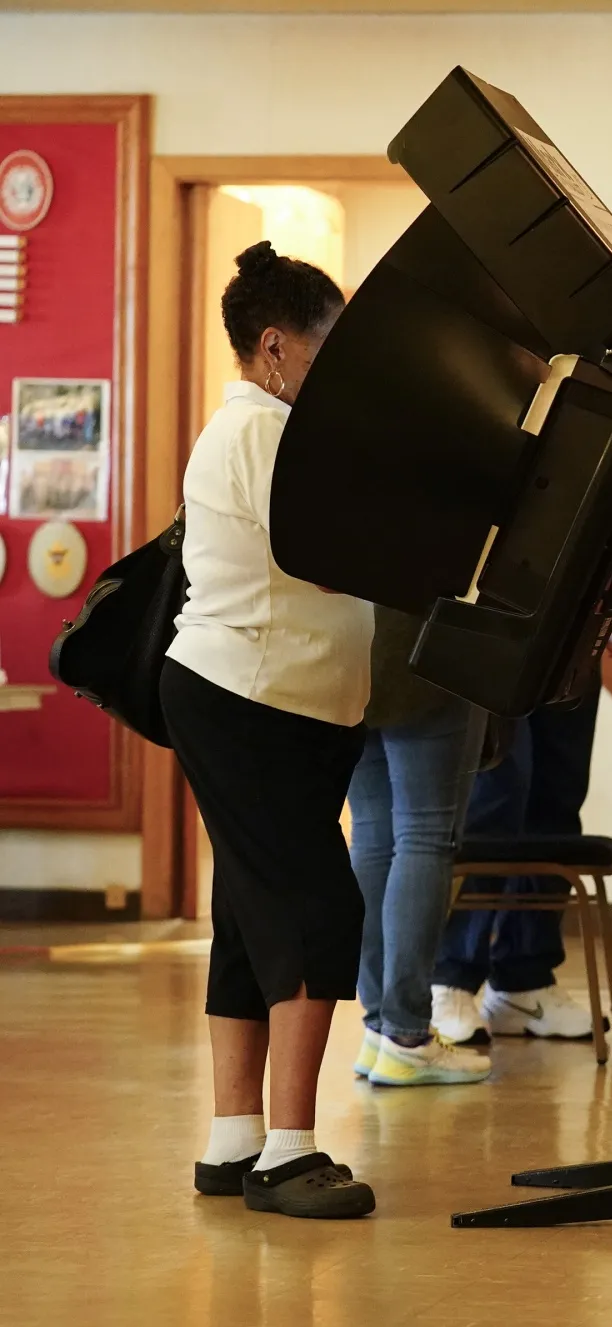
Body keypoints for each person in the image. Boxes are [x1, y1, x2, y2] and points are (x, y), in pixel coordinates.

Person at [164, 241, 378, 1219]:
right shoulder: (257, 432)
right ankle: (291, 1152)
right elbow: (335, 558)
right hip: (248, 697)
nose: (337, 373)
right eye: (326, 352)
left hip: (280, 703)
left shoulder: (271, 431)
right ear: (274, 345)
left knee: (254, 918)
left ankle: (233, 1140)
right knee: (318, 908)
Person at [347, 607, 493, 1086]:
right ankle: (407, 1037)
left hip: (346, 642)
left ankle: (379, 1030)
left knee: (371, 833)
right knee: (425, 834)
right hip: (428, 637)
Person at [429, 690, 602, 1045]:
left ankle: (524, 979)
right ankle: (450, 978)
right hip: (495, 640)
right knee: (494, 788)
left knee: (557, 796)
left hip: (571, 644)